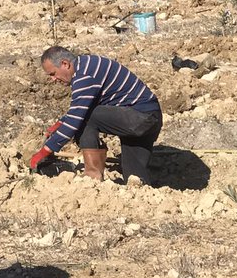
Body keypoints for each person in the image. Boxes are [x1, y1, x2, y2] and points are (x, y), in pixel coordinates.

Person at [31, 46, 163, 184]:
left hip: (140, 118)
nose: (53, 79)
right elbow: (84, 105)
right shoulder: (86, 65)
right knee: (135, 179)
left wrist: (44, 151)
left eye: (53, 73)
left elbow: (76, 118)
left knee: (86, 119)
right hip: (149, 117)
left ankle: (92, 177)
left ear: (65, 64)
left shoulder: (84, 76)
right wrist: (60, 123)